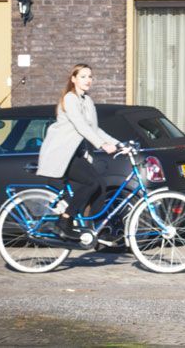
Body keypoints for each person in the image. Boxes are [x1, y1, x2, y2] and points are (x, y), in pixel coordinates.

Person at [37, 64, 121, 240]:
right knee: (91, 183)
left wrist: (119, 144)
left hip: (75, 154)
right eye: (83, 76)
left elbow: (95, 129)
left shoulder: (87, 101)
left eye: (90, 76)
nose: (88, 80)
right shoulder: (70, 98)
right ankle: (64, 221)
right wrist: (102, 146)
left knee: (100, 184)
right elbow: (81, 127)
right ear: (73, 79)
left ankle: (97, 229)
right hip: (61, 154)